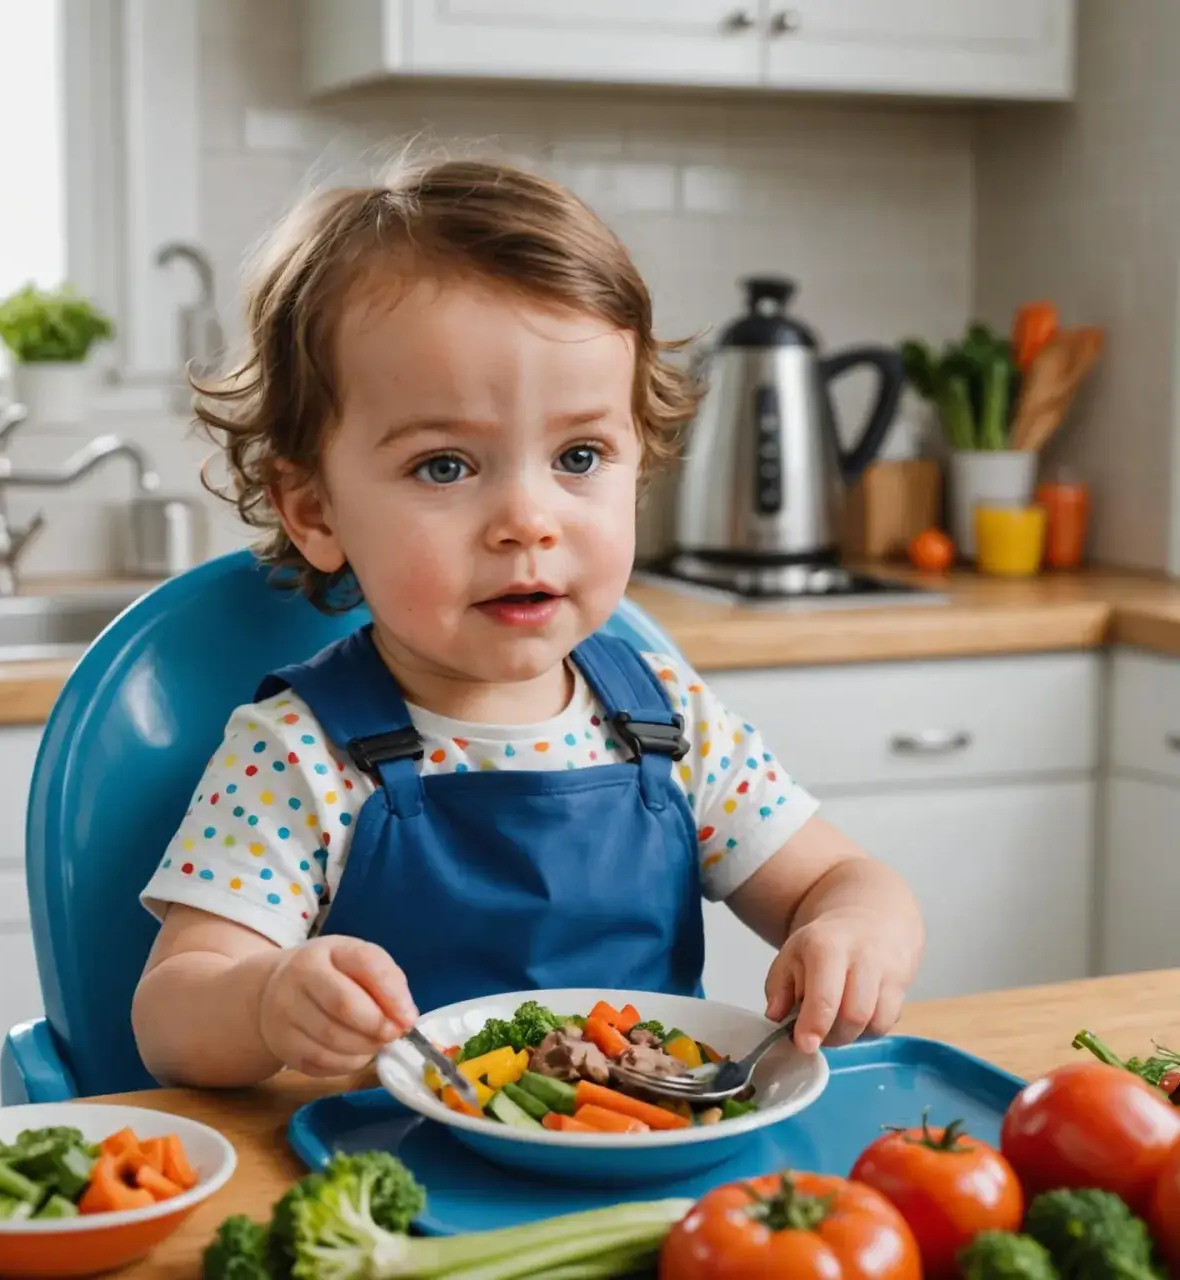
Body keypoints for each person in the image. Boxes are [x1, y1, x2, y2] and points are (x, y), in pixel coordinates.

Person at [131, 157, 925, 1090]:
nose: (527, 520)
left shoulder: (668, 721)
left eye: (579, 454)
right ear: (315, 512)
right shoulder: (300, 756)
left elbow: (849, 881)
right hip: (411, 1198)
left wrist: (854, 931)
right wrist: (267, 1000)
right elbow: (174, 1014)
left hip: (656, 1167)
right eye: (444, 467)